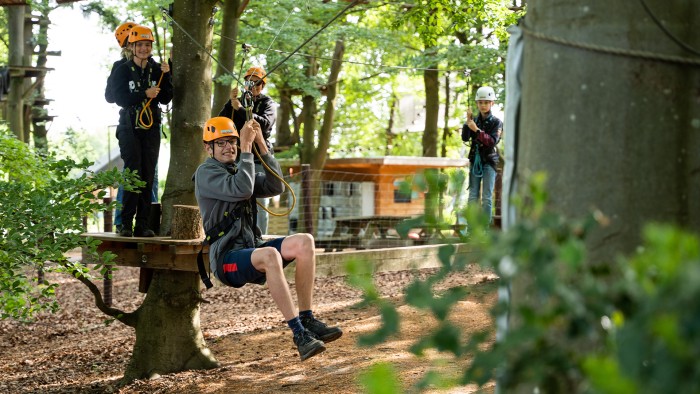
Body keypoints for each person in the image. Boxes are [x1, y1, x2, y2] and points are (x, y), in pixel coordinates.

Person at [194, 116, 342, 361]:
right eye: (221, 143)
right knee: (271, 254)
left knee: (304, 241)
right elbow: (241, 189)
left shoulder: (239, 169)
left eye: (232, 141)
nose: (229, 147)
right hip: (227, 259)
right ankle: (299, 334)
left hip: (252, 250)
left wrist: (262, 145)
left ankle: (307, 317)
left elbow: (276, 187)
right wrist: (245, 150)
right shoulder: (206, 173)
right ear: (207, 148)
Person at [112, 25, 172, 237]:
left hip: (151, 125)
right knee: (133, 171)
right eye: (140, 45)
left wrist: (168, 74)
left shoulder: (156, 69)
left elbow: (165, 97)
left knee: (148, 172)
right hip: (130, 124)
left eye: (147, 45)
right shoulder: (122, 68)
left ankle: (143, 225)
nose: (144, 49)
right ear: (132, 46)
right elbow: (112, 96)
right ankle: (125, 223)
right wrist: (143, 94)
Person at [218, 66, 277, 235]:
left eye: (257, 84)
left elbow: (265, 124)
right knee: (239, 198)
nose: (253, 87)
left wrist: (241, 110)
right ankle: (241, 235)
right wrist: (231, 103)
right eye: (250, 83)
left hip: (258, 158)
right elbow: (222, 121)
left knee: (260, 199)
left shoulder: (268, 104)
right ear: (245, 84)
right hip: (239, 157)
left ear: (262, 86)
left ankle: (261, 236)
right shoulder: (237, 102)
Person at [461, 86, 503, 225]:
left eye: (486, 102)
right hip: (475, 161)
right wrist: (468, 123)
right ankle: (471, 228)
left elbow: (492, 141)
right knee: (473, 196)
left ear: (492, 103)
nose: (483, 105)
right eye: (480, 102)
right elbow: (465, 138)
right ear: (477, 103)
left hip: (489, 162)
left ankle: (484, 229)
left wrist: (477, 130)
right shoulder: (474, 120)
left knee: (486, 197)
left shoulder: (497, 122)